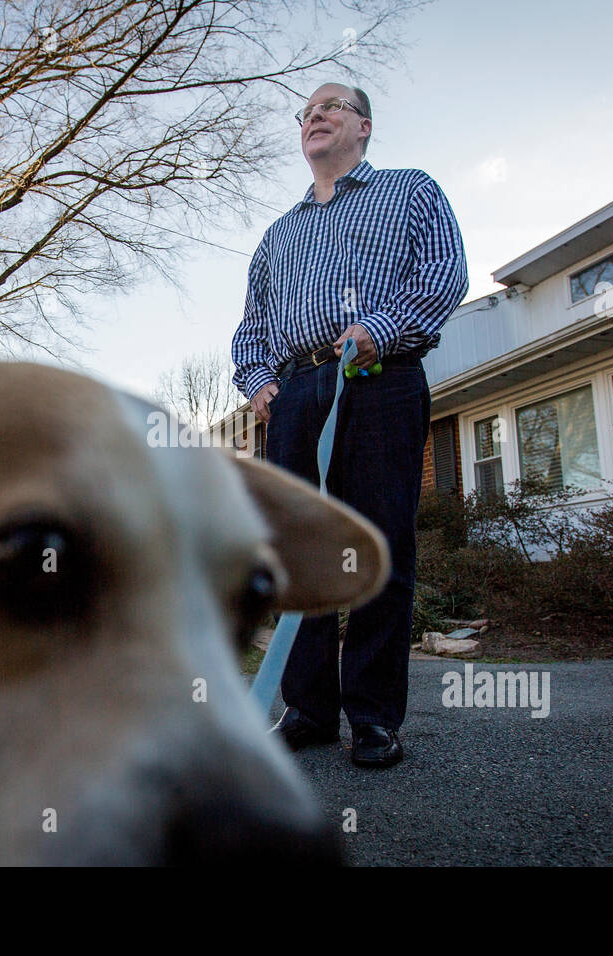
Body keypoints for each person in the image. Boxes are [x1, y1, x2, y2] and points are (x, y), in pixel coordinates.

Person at [231, 82, 468, 768]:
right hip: (296, 395)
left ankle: (372, 717)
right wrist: (259, 383)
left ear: (363, 126)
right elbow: (250, 328)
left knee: (377, 544)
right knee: (299, 555)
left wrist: (381, 329)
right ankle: (308, 709)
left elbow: (443, 274)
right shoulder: (279, 234)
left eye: (331, 106)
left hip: (378, 376)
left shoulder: (410, 191)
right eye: (306, 112)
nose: (316, 115)